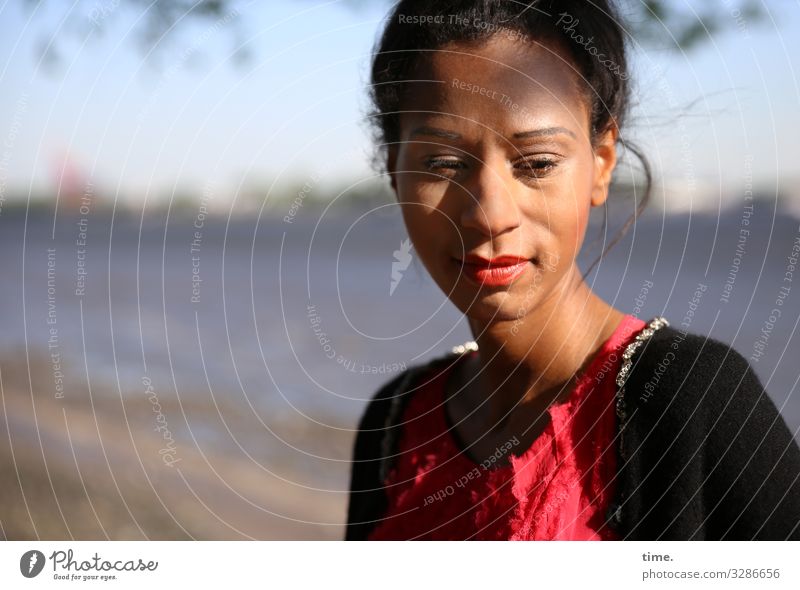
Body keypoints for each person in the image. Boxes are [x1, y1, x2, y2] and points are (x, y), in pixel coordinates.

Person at [345, 0, 800, 540]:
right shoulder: (396, 424)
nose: (490, 215)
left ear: (600, 165)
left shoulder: (689, 398)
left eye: (536, 163)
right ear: (394, 171)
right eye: (443, 164)